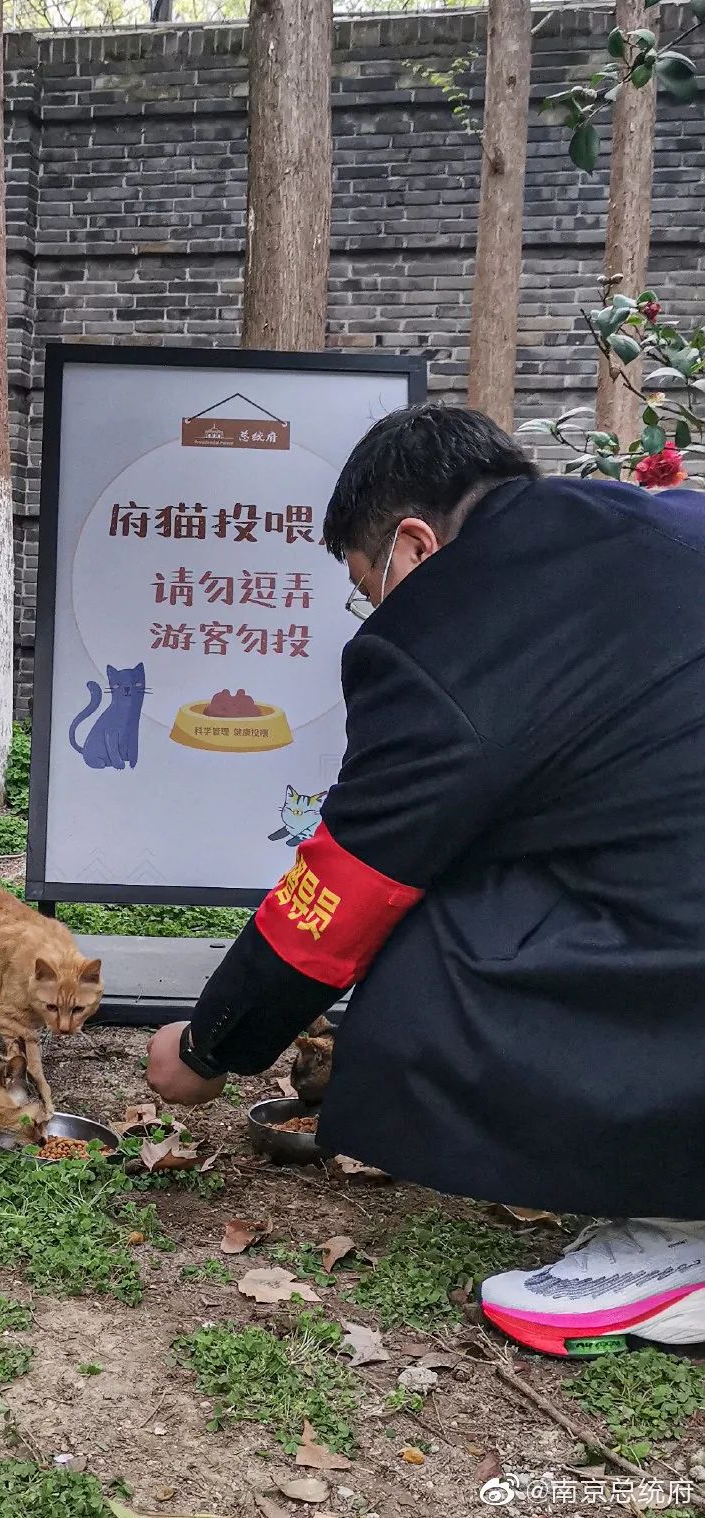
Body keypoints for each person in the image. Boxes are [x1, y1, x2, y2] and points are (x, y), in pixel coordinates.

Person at [146, 403, 705, 1359]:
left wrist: (205, 1048)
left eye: (371, 590)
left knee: (424, 929)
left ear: (413, 544)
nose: (378, 617)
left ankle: (675, 1238)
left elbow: (351, 883)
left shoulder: (457, 616)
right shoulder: (665, 520)